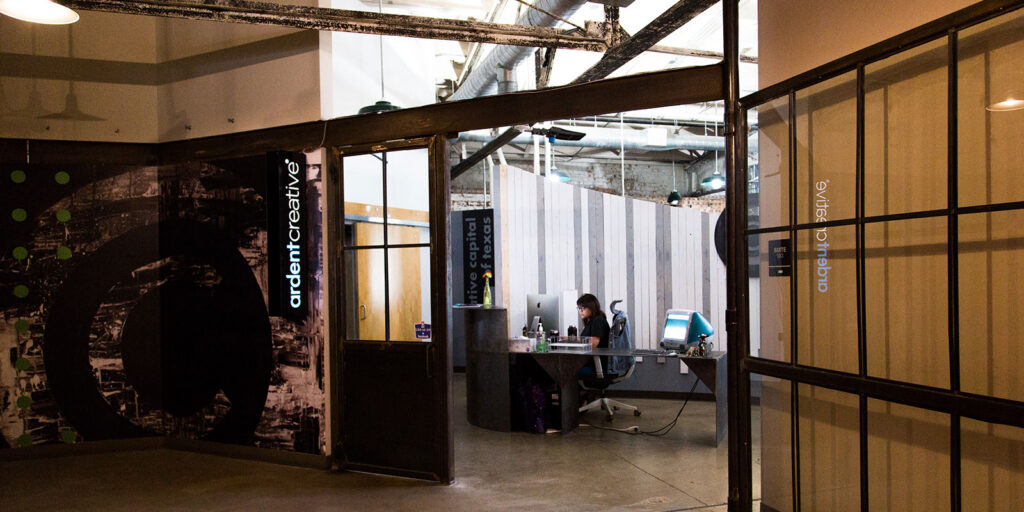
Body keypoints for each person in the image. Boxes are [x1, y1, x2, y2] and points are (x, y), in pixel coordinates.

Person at [576, 293, 610, 378]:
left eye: (582, 308)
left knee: (563, 368)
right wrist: (569, 339)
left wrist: (574, 341)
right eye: (579, 308)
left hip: (594, 366)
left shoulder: (598, 321)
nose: (580, 311)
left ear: (591, 307)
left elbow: (593, 344)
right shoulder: (592, 321)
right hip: (591, 363)